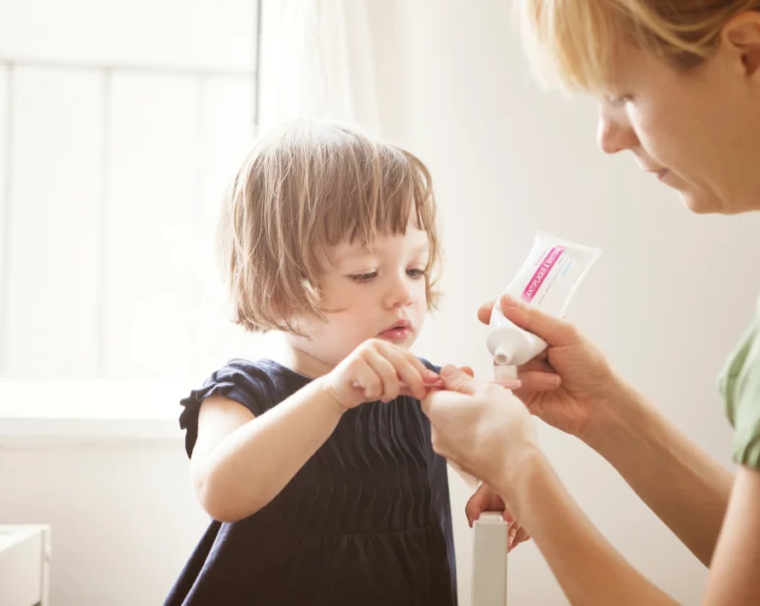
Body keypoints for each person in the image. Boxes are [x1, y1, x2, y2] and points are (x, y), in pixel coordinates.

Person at [422, 0, 760, 605]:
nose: (607, 137)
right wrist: (608, 413)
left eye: (623, 95)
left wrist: (520, 469)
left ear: (749, 55)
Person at [163, 119, 528, 606]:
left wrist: (497, 483)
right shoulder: (244, 393)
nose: (403, 293)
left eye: (415, 268)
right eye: (366, 273)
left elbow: (479, 461)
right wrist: (332, 395)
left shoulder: (418, 388)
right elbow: (219, 492)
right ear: (277, 289)